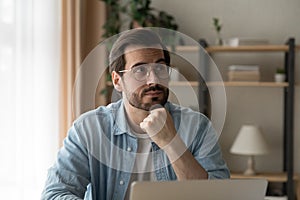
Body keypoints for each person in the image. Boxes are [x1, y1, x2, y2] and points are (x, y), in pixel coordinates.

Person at [41, 28, 230, 200]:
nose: (153, 79)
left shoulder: (198, 127)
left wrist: (171, 142)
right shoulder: (89, 129)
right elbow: (55, 193)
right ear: (117, 80)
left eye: (160, 68)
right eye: (140, 70)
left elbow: (219, 196)